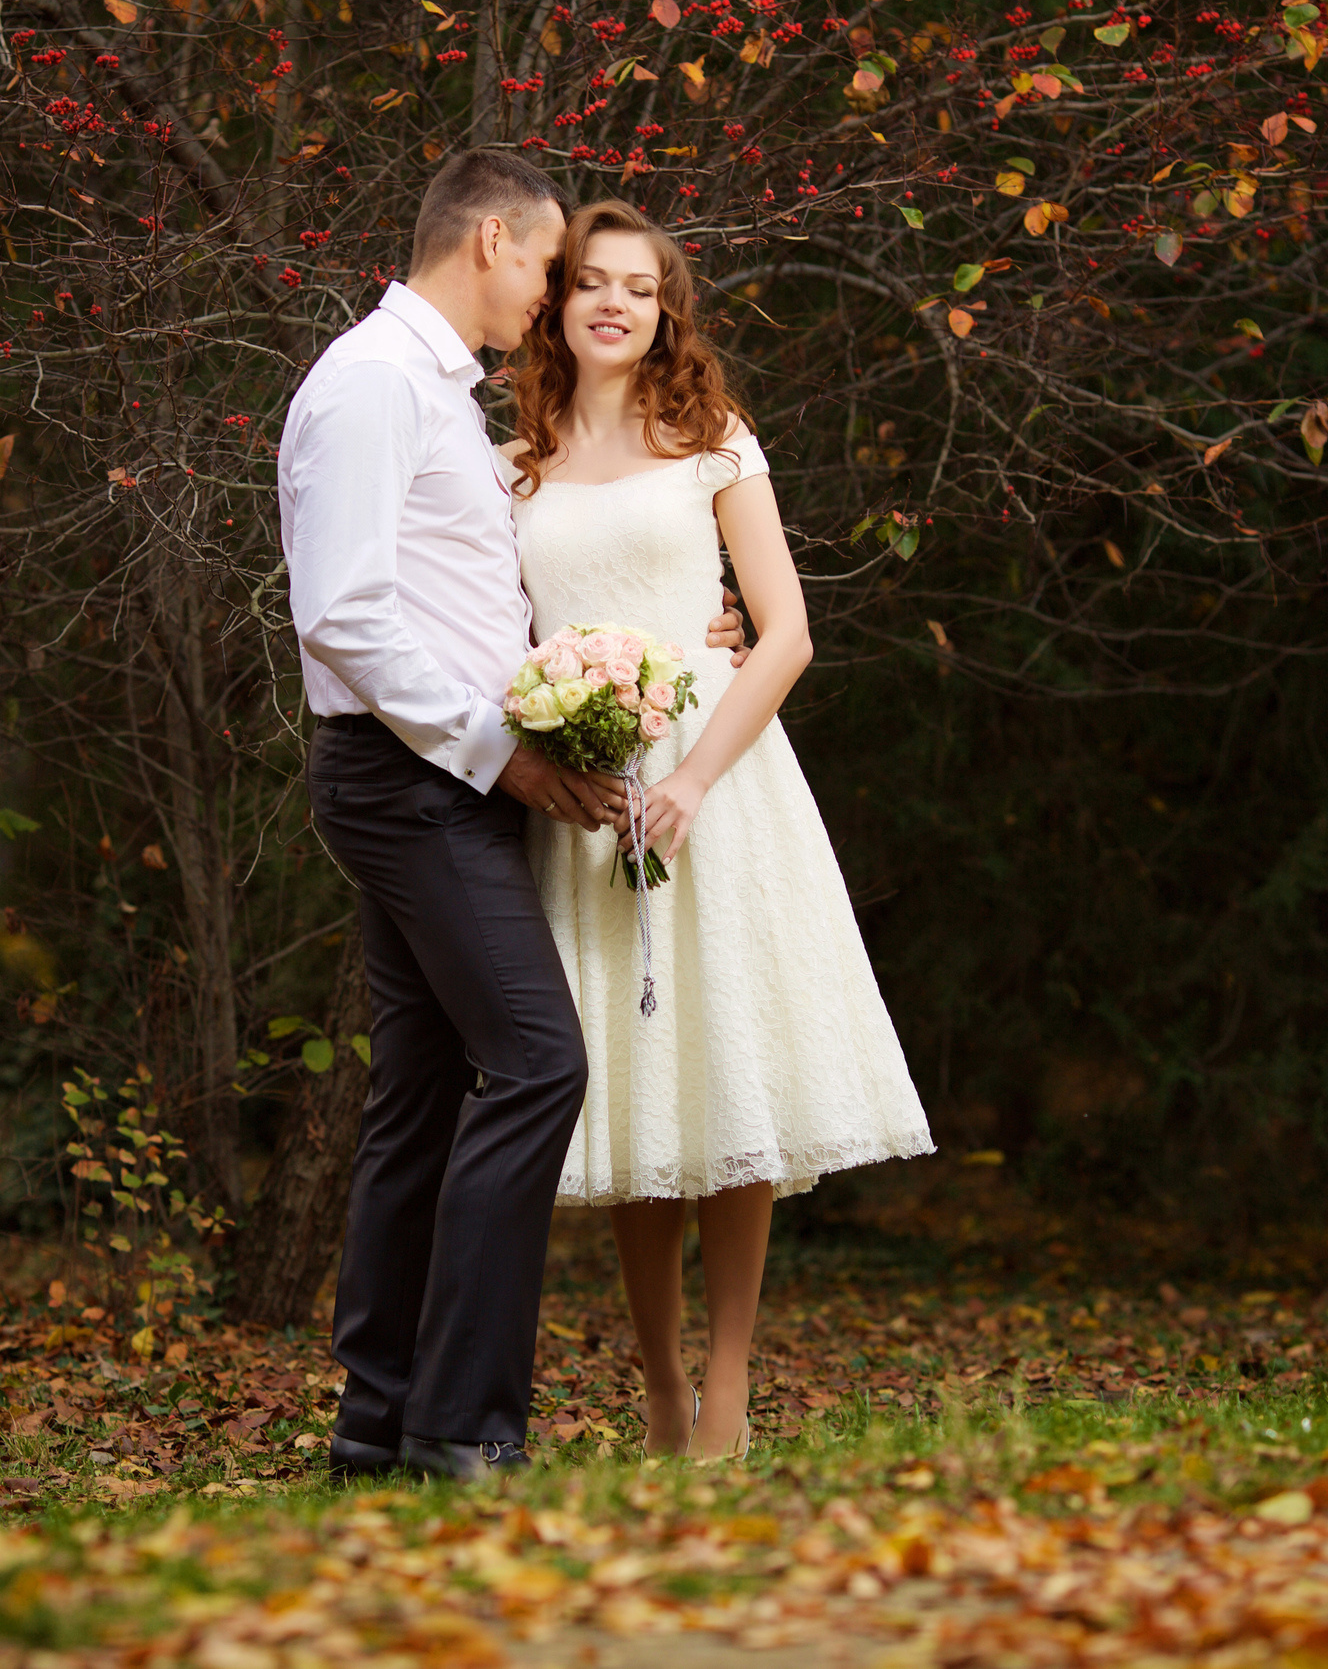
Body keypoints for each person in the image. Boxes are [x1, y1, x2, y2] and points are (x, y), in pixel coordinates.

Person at [278, 154, 749, 1482]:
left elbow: (485, 596)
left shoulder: (437, 395)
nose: (552, 299)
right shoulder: (374, 385)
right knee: (540, 1061)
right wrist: (503, 757)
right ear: (490, 240)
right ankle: (461, 1423)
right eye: (548, 268)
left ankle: (379, 1427)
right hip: (413, 781)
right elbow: (345, 613)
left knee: (422, 1098)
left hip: (443, 779)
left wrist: (684, 635)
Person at [499, 199, 934, 1463]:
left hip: (716, 778)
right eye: (591, 284)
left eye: (639, 287)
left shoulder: (712, 441)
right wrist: (548, 721)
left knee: (729, 1067)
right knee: (640, 1097)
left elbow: (785, 630)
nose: (615, 304)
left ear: (664, 311)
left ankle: (731, 1391)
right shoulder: (508, 462)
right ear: (558, 304)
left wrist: (689, 777)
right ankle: (657, 1397)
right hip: (583, 787)